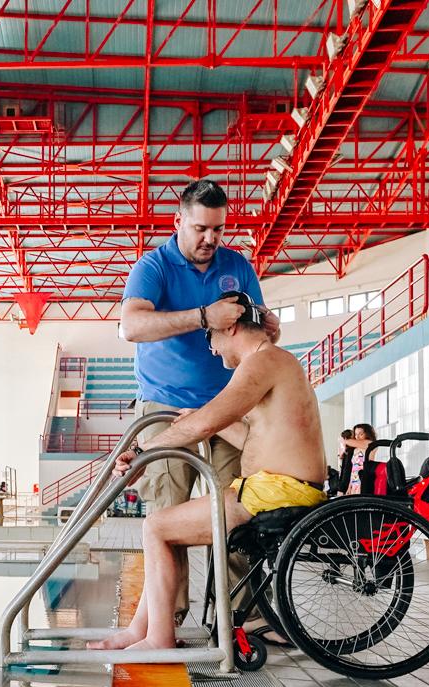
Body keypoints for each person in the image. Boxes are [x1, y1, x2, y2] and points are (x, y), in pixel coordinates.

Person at [93, 292, 324, 651]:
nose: (212, 351)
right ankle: (144, 630)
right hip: (278, 487)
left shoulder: (262, 361)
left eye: (210, 338)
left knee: (156, 526)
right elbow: (249, 434)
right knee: (159, 527)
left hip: (275, 491)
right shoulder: (277, 362)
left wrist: (141, 451)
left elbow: (204, 423)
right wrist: (207, 422)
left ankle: (159, 637)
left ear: (229, 326)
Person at [117, 178, 279, 622]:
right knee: (169, 515)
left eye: (218, 229)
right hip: (166, 405)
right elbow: (131, 327)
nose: (210, 238)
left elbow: (259, 326)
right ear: (178, 222)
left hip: (229, 407)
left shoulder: (236, 266)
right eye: (200, 228)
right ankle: (169, 616)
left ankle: (240, 620)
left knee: (238, 513)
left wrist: (268, 324)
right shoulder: (154, 267)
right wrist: (203, 317)